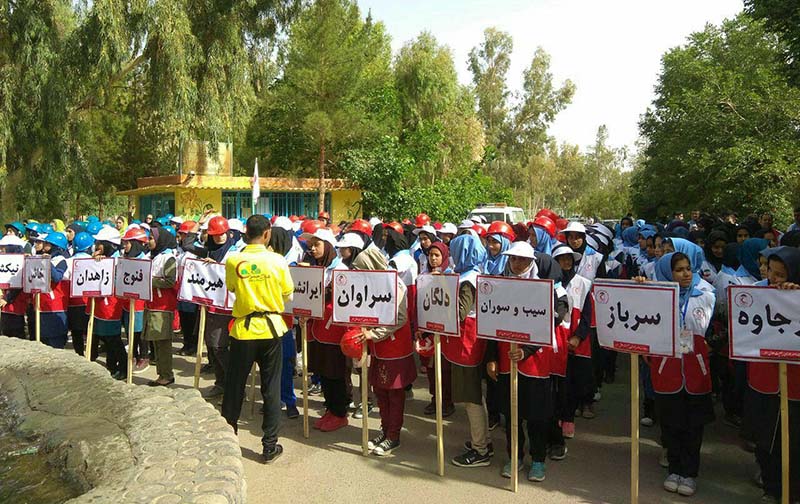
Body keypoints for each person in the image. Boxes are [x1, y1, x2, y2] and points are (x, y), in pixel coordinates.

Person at [485, 241, 567, 483]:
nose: (517, 263)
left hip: (535, 362)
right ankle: (514, 457)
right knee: (511, 414)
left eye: (522, 260)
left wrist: (528, 350)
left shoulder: (545, 288)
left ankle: (538, 460)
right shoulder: (499, 284)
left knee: (536, 416)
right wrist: (491, 358)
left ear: (532, 261)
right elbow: (490, 322)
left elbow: (551, 320)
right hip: (506, 359)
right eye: (513, 259)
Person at [636, 251, 715, 497]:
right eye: (679, 269)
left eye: (688, 268)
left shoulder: (707, 297)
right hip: (666, 368)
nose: (686, 274)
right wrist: (641, 288)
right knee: (671, 423)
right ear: (666, 273)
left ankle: (690, 473)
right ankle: (674, 468)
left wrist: (709, 346)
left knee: (694, 426)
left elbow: (719, 327)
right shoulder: (656, 299)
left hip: (696, 371)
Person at [222, 215, 294, 463]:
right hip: (272, 329)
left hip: (243, 330)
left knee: (234, 387)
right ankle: (269, 446)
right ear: (267, 233)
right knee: (271, 389)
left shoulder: (233, 260)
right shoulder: (277, 261)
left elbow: (232, 288)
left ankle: (227, 439)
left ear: (245, 233)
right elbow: (287, 292)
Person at [743, 247, 800, 502]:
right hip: (763, 381)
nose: (775, 279)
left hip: (795, 386)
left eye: (781, 274)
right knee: (766, 441)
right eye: (771, 272)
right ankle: (772, 488)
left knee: (794, 443)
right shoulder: (757, 293)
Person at [353, 246, 416, 456]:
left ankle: (393, 435)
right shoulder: (372, 284)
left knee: (394, 393)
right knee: (380, 390)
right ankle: (385, 429)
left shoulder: (394, 284)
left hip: (395, 347)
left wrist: (375, 334)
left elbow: (400, 318)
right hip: (378, 348)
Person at [444, 233, 492, 468]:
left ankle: (480, 449)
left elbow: (460, 313)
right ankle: (483, 441)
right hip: (468, 341)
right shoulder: (473, 274)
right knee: (474, 397)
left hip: (467, 343)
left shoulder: (467, 280)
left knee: (472, 398)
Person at [303, 227, 349, 432]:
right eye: (310, 245)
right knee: (324, 371)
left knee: (335, 372)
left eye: (317, 244)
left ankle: (340, 413)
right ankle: (330, 408)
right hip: (319, 330)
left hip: (334, 331)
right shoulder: (317, 268)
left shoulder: (341, 271)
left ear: (328, 246)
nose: (312, 249)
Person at [200, 216, 239, 399]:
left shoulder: (237, 251)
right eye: (215, 235)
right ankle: (221, 382)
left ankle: (234, 384)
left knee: (219, 346)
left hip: (230, 306)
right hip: (212, 305)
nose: (219, 238)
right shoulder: (209, 252)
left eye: (222, 234)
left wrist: (217, 267)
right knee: (212, 345)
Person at [420, 241, 455, 418]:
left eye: (437, 255)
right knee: (431, 369)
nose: (433, 259)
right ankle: (435, 399)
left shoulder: (450, 276)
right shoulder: (424, 276)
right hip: (429, 329)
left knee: (445, 370)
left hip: (444, 330)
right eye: (430, 255)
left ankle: (447, 402)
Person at [144, 227, 178, 386]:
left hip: (163, 307)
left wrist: (149, 281)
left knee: (163, 343)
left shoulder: (168, 259)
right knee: (156, 342)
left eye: (151, 238)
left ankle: (167, 374)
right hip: (152, 304)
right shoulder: (151, 256)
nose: (148, 241)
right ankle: (161, 373)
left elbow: (171, 281)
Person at [121, 227, 150, 373]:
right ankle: (133, 355)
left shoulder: (145, 260)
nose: (125, 246)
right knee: (129, 329)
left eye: (128, 243)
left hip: (139, 303)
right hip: (126, 301)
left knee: (139, 331)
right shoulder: (124, 259)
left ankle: (143, 356)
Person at [65, 232, 93, 357]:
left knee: (77, 333)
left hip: (73, 303)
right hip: (90, 303)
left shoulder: (68, 262)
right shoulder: (94, 261)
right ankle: (90, 356)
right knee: (91, 331)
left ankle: (79, 355)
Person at [0, 234, 29, 339]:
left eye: (3, 249)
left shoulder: (23, 263)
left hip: (16, 308)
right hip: (4, 307)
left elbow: (19, 285)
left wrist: (7, 298)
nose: (1, 251)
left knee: (16, 334)